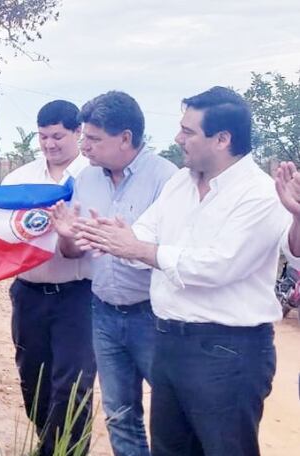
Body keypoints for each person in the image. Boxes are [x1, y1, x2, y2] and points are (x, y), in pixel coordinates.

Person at [74, 86, 287, 455]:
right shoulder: (180, 185)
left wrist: (137, 247)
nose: (178, 139)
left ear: (222, 139)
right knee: (170, 449)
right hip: (170, 342)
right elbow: (144, 233)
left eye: (188, 132)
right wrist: (112, 237)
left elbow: (217, 265)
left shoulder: (259, 194)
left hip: (227, 353)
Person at [49, 91, 176, 456]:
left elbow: (176, 254)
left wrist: (129, 245)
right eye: (84, 137)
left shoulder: (167, 181)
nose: (84, 147)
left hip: (153, 317)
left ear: (125, 138)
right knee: (120, 414)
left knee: (171, 412)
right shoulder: (86, 180)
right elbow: (71, 252)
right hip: (103, 312)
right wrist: (68, 237)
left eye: (93, 139)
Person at [1, 100, 94, 453]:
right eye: (43, 137)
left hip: (79, 296)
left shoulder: (92, 178)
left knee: (73, 384)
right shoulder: (19, 179)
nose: (49, 144)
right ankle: (49, 443)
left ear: (77, 132)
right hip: (29, 294)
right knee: (33, 381)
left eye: (57, 136)